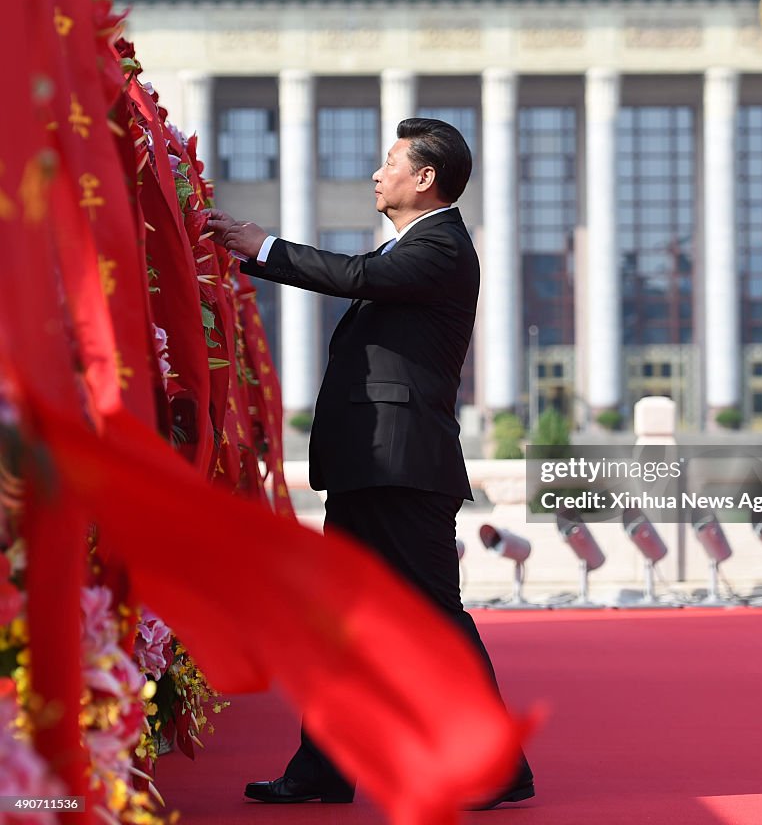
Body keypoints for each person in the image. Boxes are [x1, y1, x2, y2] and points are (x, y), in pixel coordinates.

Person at [207, 117, 534, 810]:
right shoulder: (412, 250)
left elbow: (355, 275)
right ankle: (323, 771)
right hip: (372, 463)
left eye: (390, 162)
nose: (376, 174)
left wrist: (260, 245)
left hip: (403, 464)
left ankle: (498, 765)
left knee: (434, 616)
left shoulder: (441, 246)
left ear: (425, 179)